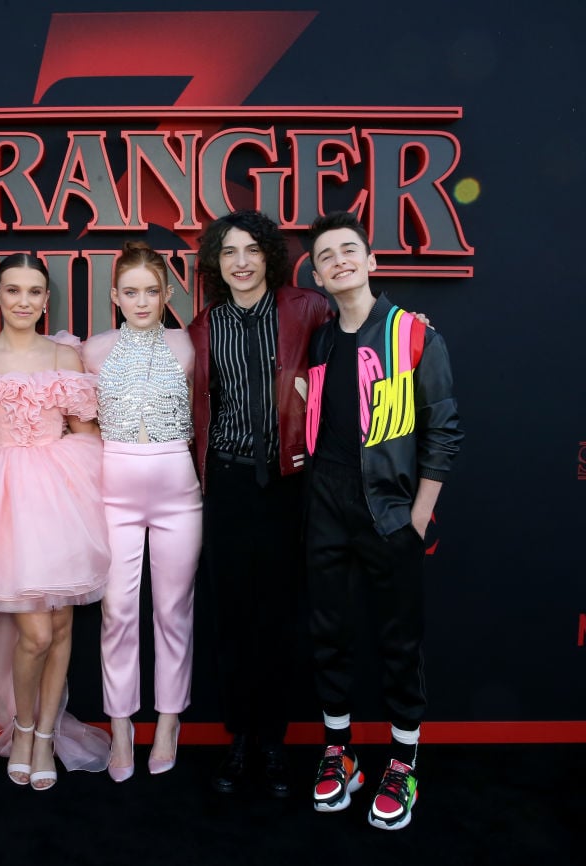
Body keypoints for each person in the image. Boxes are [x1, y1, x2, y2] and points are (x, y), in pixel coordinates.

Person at [0, 253, 111, 791]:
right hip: (1, 499)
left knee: (61, 625)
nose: (23, 301)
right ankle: (23, 727)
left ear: (46, 300)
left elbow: (84, 430)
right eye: (13, 290)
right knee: (35, 631)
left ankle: (44, 736)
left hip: (62, 495)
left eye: (34, 292)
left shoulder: (64, 356)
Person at [304, 211, 462, 830]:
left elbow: (443, 432)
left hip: (390, 513)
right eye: (326, 255)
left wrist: (417, 517)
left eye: (349, 249)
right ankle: (339, 753)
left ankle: (402, 763)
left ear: (371, 262)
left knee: (399, 641)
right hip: (325, 507)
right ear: (318, 276)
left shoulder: (413, 335)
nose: (339, 260)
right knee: (329, 634)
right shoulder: (320, 340)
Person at [187, 210, 333, 798]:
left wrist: (408, 327)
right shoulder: (204, 326)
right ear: (216, 264)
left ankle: (273, 742)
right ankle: (240, 738)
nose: (241, 261)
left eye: (251, 250)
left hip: (287, 482)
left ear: (269, 256)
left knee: (278, 615)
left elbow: (360, 340)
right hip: (226, 482)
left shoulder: (307, 308)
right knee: (232, 617)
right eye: (229, 252)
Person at [81, 241, 202, 782]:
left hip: (179, 491)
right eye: (131, 292)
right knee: (117, 612)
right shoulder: (93, 349)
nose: (142, 302)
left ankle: (169, 722)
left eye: (151, 291)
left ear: (167, 293)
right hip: (114, 492)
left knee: (173, 610)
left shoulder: (187, 344)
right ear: (115, 296)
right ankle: (121, 726)